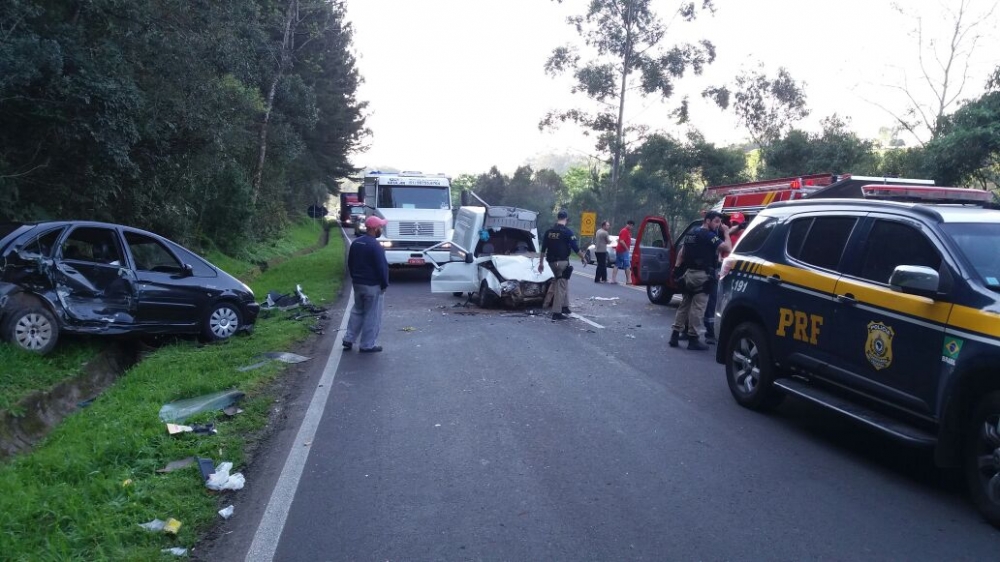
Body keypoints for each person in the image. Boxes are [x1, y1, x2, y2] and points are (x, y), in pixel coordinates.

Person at [669, 211, 732, 351]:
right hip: (702, 276)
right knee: (698, 308)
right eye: (716, 222)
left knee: (684, 305)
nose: (718, 225)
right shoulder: (708, 235)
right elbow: (728, 248)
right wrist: (726, 232)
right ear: (707, 221)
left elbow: (682, 252)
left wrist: (677, 269)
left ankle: (674, 335)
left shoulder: (692, 233)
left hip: (688, 274)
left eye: (719, 222)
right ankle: (693, 339)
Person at [342, 216, 390, 353]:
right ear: (374, 229)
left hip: (358, 284)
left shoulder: (356, 243)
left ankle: (348, 338)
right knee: (372, 315)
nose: (381, 229)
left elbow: (350, 263)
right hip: (372, 285)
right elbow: (382, 267)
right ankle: (367, 345)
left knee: (357, 311)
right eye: (380, 227)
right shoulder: (375, 246)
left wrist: (355, 278)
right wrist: (384, 284)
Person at [538, 210, 587, 320]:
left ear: (557, 217)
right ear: (566, 218)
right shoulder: (567, 232)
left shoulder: (549, 232)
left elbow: (543, 249)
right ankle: (557, 312)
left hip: (550, 262)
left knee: (563, 282)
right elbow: (575, 248)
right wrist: (583, 257)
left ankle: (565, 306)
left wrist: (541, 264)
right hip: (562, 262)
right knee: (561, 284)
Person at [611, 220, 634, 285]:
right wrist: (627, 248)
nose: (631, 227)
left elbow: (619, 240)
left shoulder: (627, 231)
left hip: (620, 250)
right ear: (629, 225)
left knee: (617, 264)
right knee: (627, 265)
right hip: (623, 251)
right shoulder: (625, 231)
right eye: (631, 225)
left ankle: (613, 279)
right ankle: (628, 281)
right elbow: (621, 241)